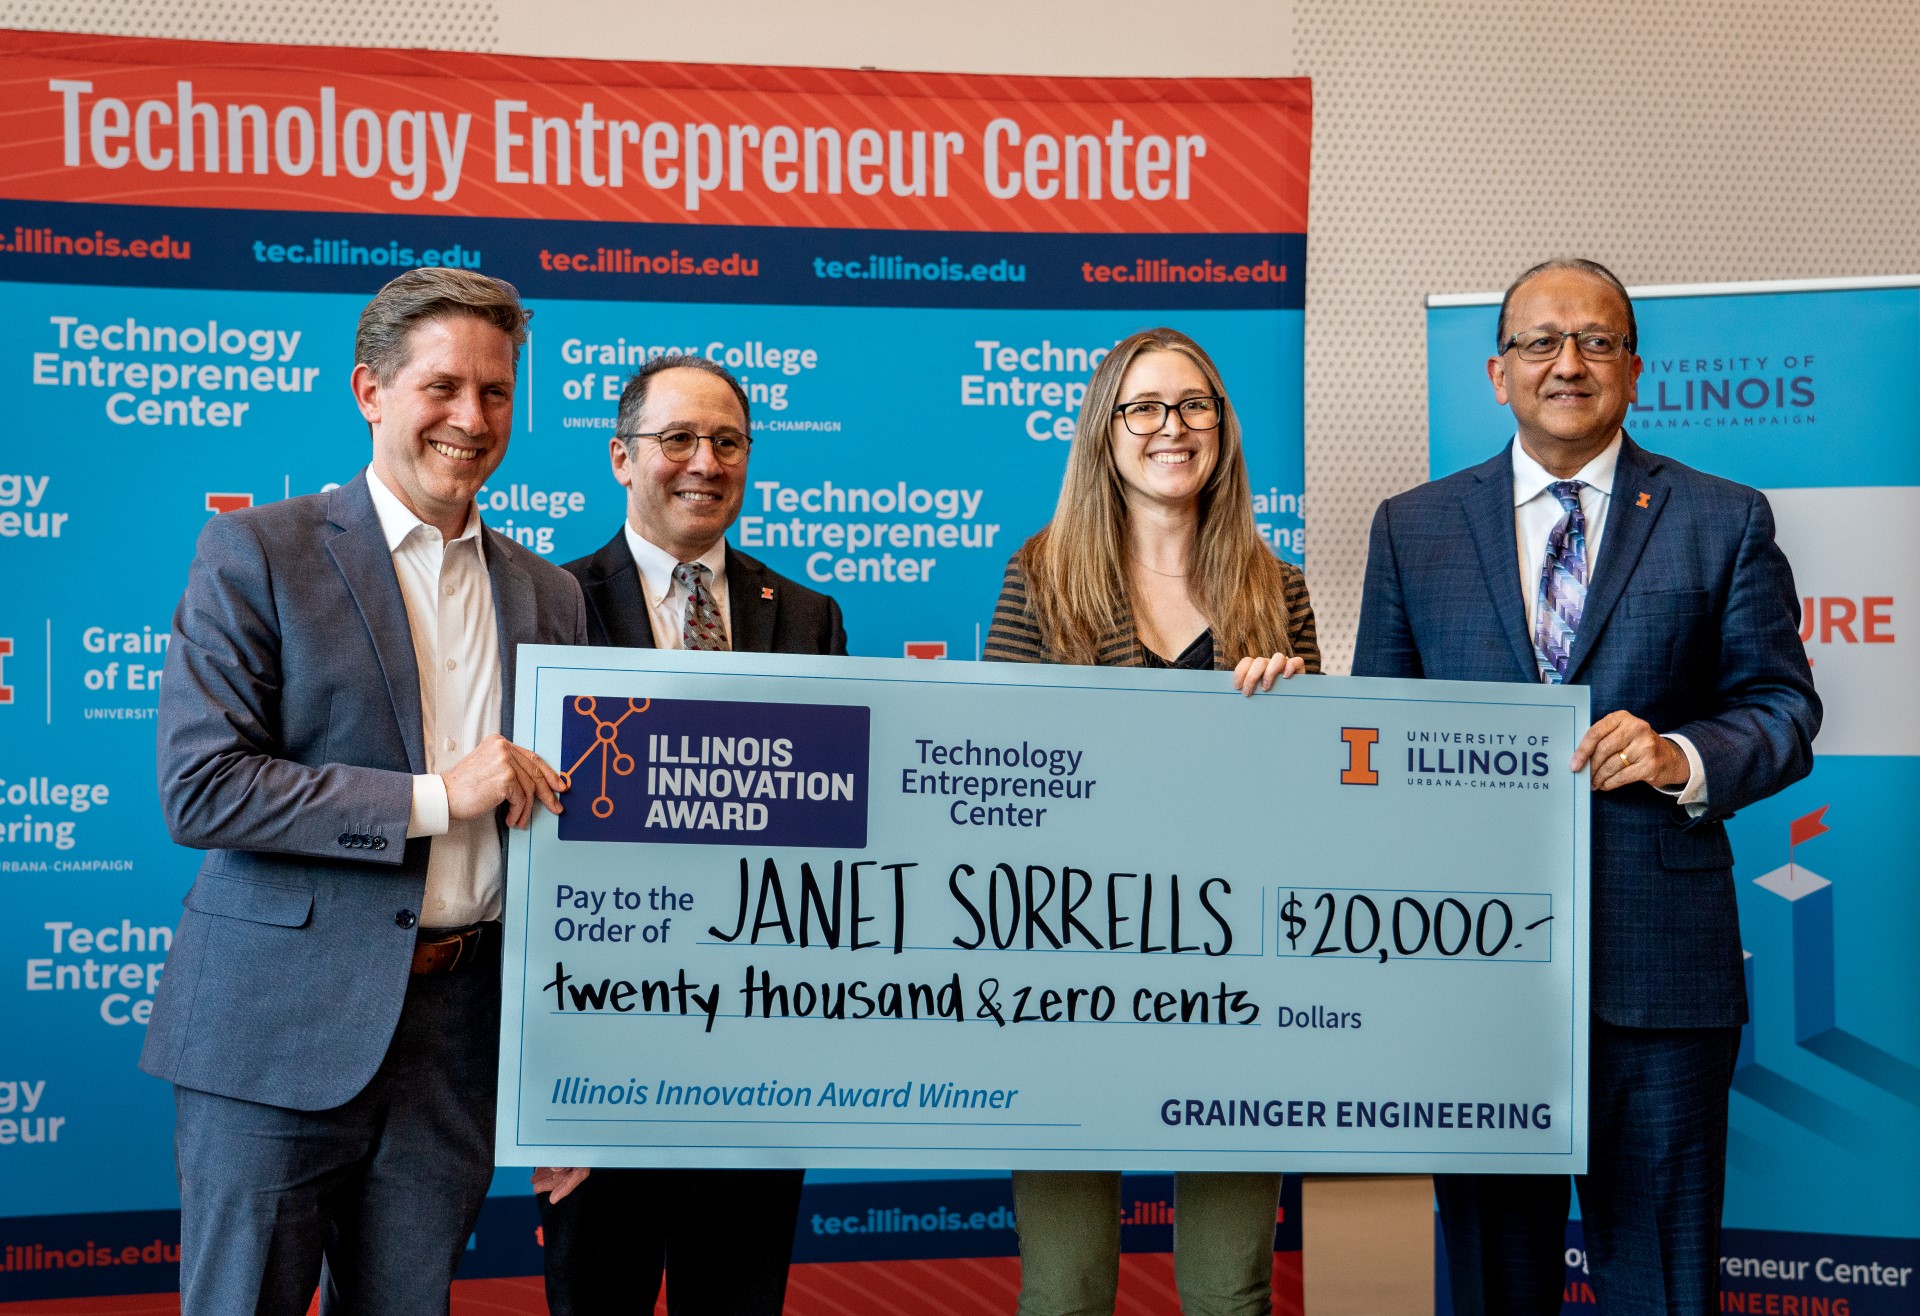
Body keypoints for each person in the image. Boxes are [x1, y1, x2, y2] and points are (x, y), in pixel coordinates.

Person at [1354, 258, 1820, 1314]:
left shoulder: (1723, 518)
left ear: (1635, 368)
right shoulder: (1413, 526)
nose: (1569, 362)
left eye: (1597, 341)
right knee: (1490, 1283)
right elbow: (1374, 742)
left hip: (1659, 972)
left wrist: (1679, 755)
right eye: (1540, 342)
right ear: (1498, 372)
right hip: (1473, 973)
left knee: (1663, 1281)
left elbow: (1784, 712)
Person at [145, 267, 588, 1315]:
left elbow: (566, 850)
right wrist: (436, 796)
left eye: (495, 392)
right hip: (276, 1032)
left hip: (458, 1039)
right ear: (370, 391)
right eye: (442, 386)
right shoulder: (260, 551)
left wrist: (568, 1079)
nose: (470, 418)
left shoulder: (551, 593)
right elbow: (201, 787)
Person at [985, 326, 1319, 1316]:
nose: (1171, 427)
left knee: (1231, 1290)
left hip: (1234, 986)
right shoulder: (1041, 576)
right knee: (1065, 1288)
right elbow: (998, 787)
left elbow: (1325, 809)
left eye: (1195, 404)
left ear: (1221, 426)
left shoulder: (1276, 588)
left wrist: (1298, 718)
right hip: (1067, 977)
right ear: (1106, 431)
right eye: (1144, 407)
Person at [535, 352, 847, 1316]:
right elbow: (527, 850)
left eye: (727, 441)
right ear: (622, 458)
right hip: (597, 1056)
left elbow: (837, 846)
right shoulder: (552, 603)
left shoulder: (808, 616)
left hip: (757, 1059)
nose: (704, 462)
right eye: (677, 439)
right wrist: (540, 1094)